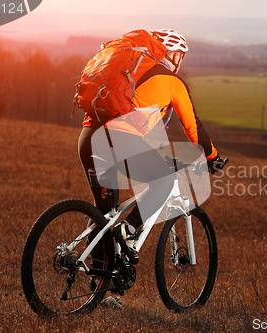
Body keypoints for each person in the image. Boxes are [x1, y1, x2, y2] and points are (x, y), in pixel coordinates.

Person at [78, 29, 227, 264]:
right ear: (175, 56)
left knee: (104, 213)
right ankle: (129, 228)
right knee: (164, 182)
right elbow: (193, 128)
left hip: (89, 139)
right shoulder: (172, 82)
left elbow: (141, 121)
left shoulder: (129, 74)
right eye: (181, 56)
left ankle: (99, 279)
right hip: (118, 141)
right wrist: (212, 157)